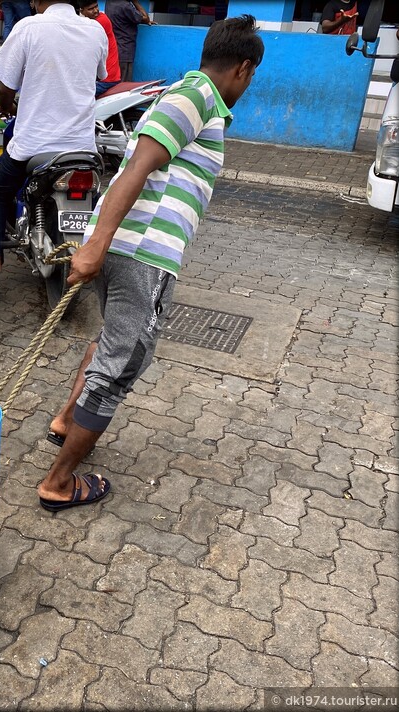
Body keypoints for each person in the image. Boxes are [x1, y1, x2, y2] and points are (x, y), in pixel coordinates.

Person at [37, 14, 263, 510]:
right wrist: (96, 243)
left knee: (109, 342)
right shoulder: (197, 95)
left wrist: (101, 241)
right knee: (122, 365)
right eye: (251, 77)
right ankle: (57, 483)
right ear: (244, 68)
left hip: (125, 248)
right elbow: (138, 165)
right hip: (142, 254)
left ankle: (64, 419)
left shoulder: (188, 95)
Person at [0, 0, 107, 293]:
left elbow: (4, 87)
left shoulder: (28, 28)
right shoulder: (96, 31)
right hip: (81, 149)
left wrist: (6, 107)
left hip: (33, 146)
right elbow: (100, 76)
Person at [78, 0, 121, 96]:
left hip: (107, 78)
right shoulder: (90, 22)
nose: (95, 10)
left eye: (96, 6)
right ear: (82, 11)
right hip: (102, 76)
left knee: (78, 97)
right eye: (90, 9)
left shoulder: (101, 21)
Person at [103, 0, 154, 81]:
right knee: (124, 83)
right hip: (125, 50)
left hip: (113, 49)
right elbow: (145, 18)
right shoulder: (125, 6)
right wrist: (135, 2)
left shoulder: (109, 2)